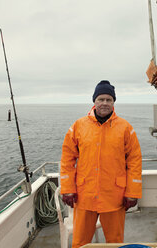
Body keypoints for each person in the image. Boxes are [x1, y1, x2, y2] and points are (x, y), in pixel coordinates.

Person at [60, 80, 142, 248]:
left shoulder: (125, 128)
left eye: (108, 100)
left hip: (114, 196)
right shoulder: (78, 126)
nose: (105, 103)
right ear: (94, 101)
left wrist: (132, 193)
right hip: (85, 196)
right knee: (80, 243)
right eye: (101, 99)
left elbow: (134, 161)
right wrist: (68, 189)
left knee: (115, 242)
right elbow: (67, 159)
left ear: (113, 103)